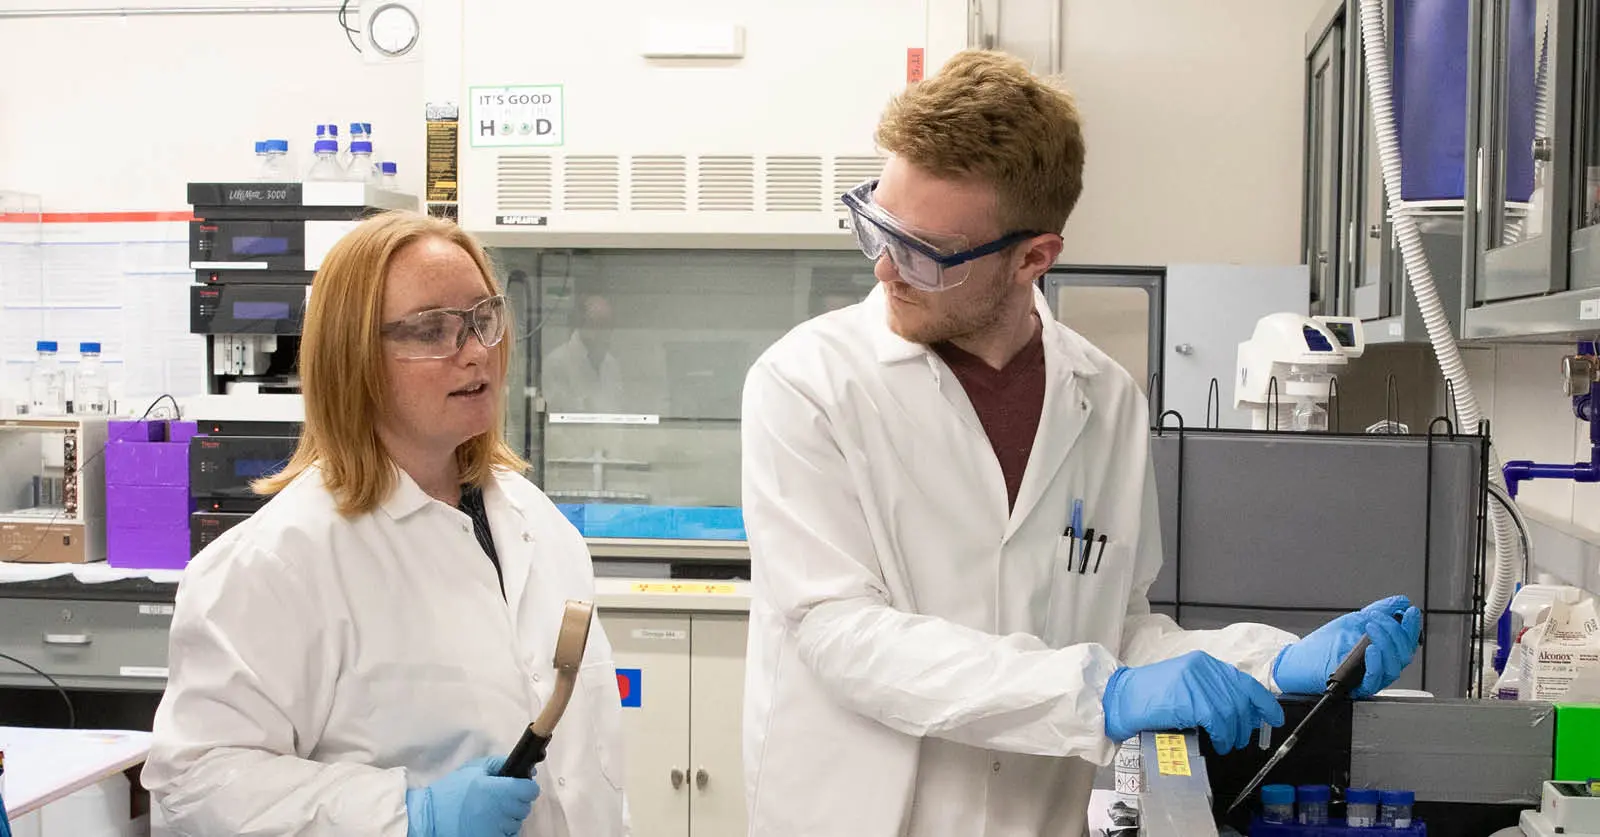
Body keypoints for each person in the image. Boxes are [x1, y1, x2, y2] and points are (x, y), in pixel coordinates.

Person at [739, 50, 1423, 836]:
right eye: (877, 224)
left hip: (1036, 816)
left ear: (1033, 257)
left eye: (924, 252)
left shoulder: (1107, 402)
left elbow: (1121, 627)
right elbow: (841, 634)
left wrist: (1275, 660)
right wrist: (1100, 695)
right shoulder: (807, 383)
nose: (886, 265)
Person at [143, 212, 628, 837]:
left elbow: (588, 767)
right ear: (354, 360)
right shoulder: (279, 560)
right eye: (433, 330)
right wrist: (410, 815)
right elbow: (196, 785)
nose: (477, 351)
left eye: (483, 318)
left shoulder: (539, 523)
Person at [543, 292, 626, 414]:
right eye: (598, 324)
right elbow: (555, 414)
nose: (604, 332)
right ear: (582, 324)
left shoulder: (611, 363)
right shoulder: (557, 362)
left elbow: (618, 408)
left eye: (608, 325)